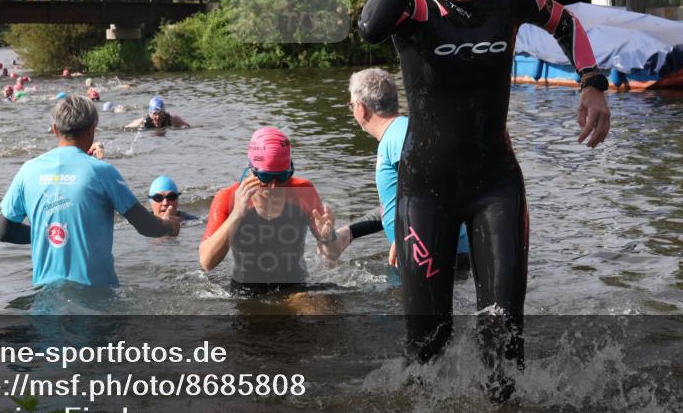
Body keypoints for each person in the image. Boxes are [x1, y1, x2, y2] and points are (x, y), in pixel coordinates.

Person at [358, 0, 611, 398]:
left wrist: (592, 83)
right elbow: (369, 25)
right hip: (425, 189)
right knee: (428, 341)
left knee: (504, 339)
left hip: (495, 185)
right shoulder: (416, 5)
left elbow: (566, 22)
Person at [0, 95, 180, 287]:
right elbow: (145, 225)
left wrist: (50, 234)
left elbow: (5, 231)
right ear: (92, 129)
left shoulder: (28, 170)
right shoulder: (102, 171)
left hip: (45, 294)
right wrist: (169, 226)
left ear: (54, 129)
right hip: (98, 296)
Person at [321, 68, 470, 265]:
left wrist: (407, 234)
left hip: (434, 255)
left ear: (361, 108)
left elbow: (435, 185)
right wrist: (351, 232)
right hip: (432, 251)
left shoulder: (398, 136)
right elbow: (398, 201)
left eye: (351, 105)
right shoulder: (399, 132)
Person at [198, 127, 341, 295]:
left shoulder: (304, 191)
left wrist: (327, 237)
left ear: (290, 171)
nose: (274, 186)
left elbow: (332, 254)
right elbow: (206, 262)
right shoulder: (227, 197)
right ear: (251, 170)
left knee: (326, 304)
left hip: (296, 285)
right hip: (246, 291)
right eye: (265, 177)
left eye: (281, 177)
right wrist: (237, 214)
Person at [125, 96, 189, 130]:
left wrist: (181, 128)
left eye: (160, 113)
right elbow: (126, 129)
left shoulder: (172, 119)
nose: (158, 117)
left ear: (164, 113)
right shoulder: (142, 122)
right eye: (155, 114)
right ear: (150, 113)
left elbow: (187, 126)